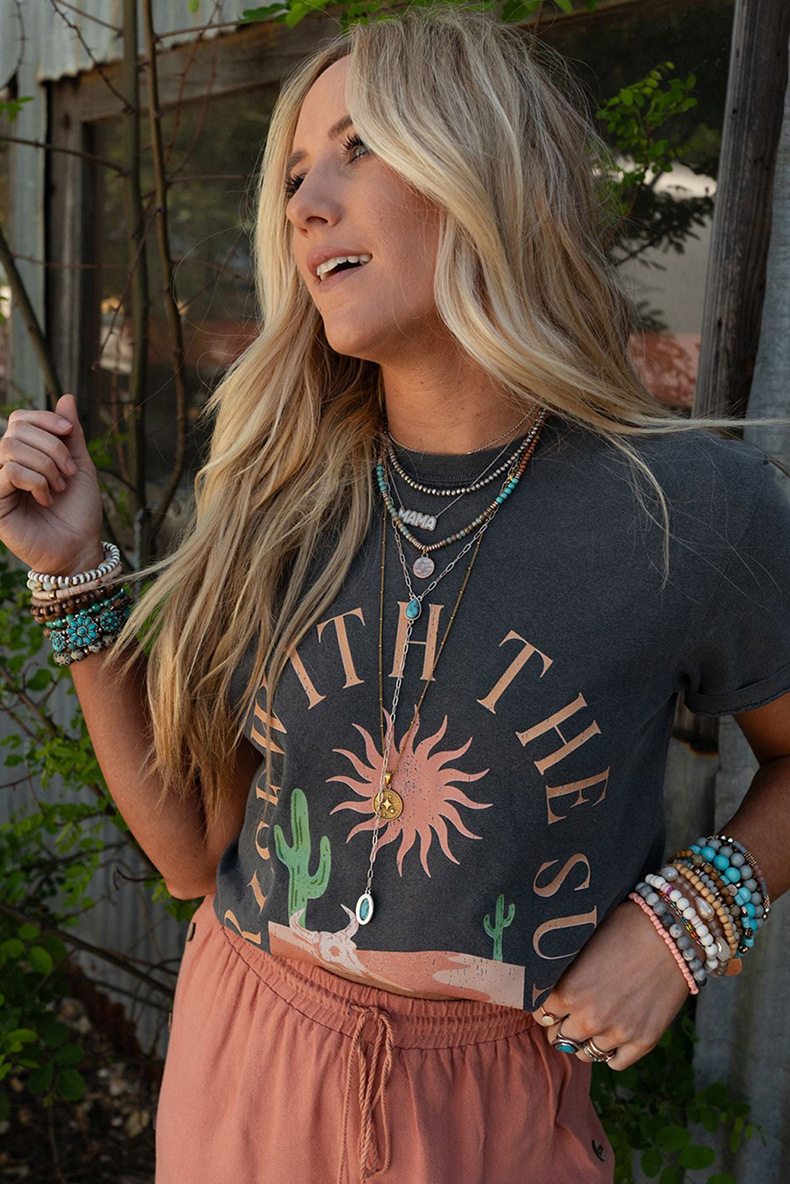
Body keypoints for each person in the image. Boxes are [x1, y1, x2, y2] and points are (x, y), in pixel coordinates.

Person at [2, 7, 790, 1182]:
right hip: (242, 1077)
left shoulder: (689, 510)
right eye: (293, 175)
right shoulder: (278, 500)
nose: (305, 203)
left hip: (489, 1113)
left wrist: (686, 918)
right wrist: (71, 570)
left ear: (484, 169)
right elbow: (192, 854)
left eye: (357, 148)